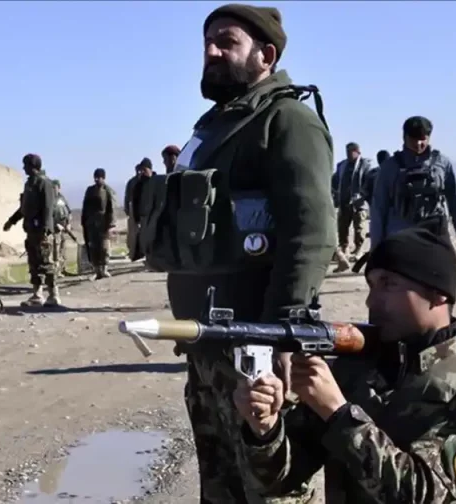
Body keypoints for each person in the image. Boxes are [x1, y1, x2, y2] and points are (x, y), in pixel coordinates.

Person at [146, 4, 336, 502]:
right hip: (209, 347)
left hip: (256, 352)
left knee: (268, 488)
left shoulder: (287, 120)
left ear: (265, 56)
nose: (211, 52)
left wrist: (280, 336)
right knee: (221, 488)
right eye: (207, 42)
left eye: (227, 42)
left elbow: (310, 234)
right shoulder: (214, 128)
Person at [234, 223, 456, 503]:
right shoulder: (355, 371)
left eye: (389, 284)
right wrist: (265, 430)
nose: (372, 301)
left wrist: (338, 413)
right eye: (371, 285)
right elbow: (279, 479)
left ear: (438, 293)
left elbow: (421, 494)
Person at [370, 116, 456, 251]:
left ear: (429, 138)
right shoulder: (390, 167)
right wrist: (376, 245)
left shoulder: (442, 163)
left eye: (422, 139)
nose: (418, 144)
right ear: (404, 137)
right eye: (414, 139)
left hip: (434, 232)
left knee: (447, 263)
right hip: (400, 234)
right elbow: (379, 207)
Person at [2, 153, 60, 306]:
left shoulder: (44, 183)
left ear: (33, 166)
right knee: (34, 263)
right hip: (31, 230)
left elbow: (48, 207)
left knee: (46, 263)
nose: (23, 168)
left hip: (42, 231)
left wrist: (45, 229)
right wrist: (11, 221)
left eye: (26, 165)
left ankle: (53, 294)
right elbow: (24, 208)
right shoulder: (29, 184)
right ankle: (37, 294)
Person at [331, 142, 373, 259]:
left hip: (359, 202)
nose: (348, 154)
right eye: (347, 151)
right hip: (344, 201)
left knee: (359, 227)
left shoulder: (365, 164)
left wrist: (362, 195)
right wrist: (336, 193)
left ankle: (359, 249)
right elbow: (335, 180)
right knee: (342, 226)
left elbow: (368, 182)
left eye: (351, 151)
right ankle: (344, 248)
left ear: (357, 151)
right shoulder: (342, 165)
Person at [81, 168, 116, 279]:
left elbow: (112, 209)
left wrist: (111, 225)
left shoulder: (108, 191)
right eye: (95, 177)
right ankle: (96, 270)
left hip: (103, 224)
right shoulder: (90, 190)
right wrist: (84, 221)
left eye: (99, 177)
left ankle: (104, 269)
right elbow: (85, 207)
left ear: (103, 178)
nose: (97, 179)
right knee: (93, 247)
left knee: (104, 247)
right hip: (91, 224)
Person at [125, 159, 154, 261]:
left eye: (144, 170)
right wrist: (134, 217)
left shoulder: (157, 181)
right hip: (142, 216)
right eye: (140, 170)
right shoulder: (136, 183)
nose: (141, 172)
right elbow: (132, 199)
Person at [52, 179, 72, 278]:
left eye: (55, 187)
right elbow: (48, 215)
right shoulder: (50, 200)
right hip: (55, 228)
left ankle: (63, 269)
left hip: (64, 227)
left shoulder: (62, 198)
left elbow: (69, 211)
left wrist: (69, 223)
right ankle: (56, 271)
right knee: (56, 249)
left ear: (59, 188)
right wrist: (55, 224)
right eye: (52, 188)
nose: (54, 190)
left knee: (63, 249)